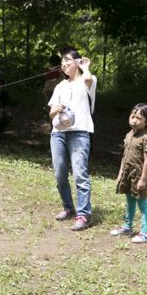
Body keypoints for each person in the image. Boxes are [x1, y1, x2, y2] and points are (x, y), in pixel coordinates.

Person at [48, 46, 97, 231]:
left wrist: (85, 66)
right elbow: (51, 114)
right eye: (62, 63)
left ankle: (84, 214)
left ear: (76, 62)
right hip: (58, 134)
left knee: (80, 173)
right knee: (60, 173)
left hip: (79, 132)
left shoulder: (88, 81)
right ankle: (68, 208)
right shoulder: (60, 86)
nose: (64, 65)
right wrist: (56, 109)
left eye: (67, 61)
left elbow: (88, 79)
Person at [110, 103, 147, 243]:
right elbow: (124, 156)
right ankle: (127, 226)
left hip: (138, 175)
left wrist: (143, 179)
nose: (134, 120)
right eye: (132, 116)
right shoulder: (129, 135)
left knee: (141, 203)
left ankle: (144, 232)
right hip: (127, 174)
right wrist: (120, 174)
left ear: (146, 121)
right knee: (129, 200)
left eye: (139, 118)